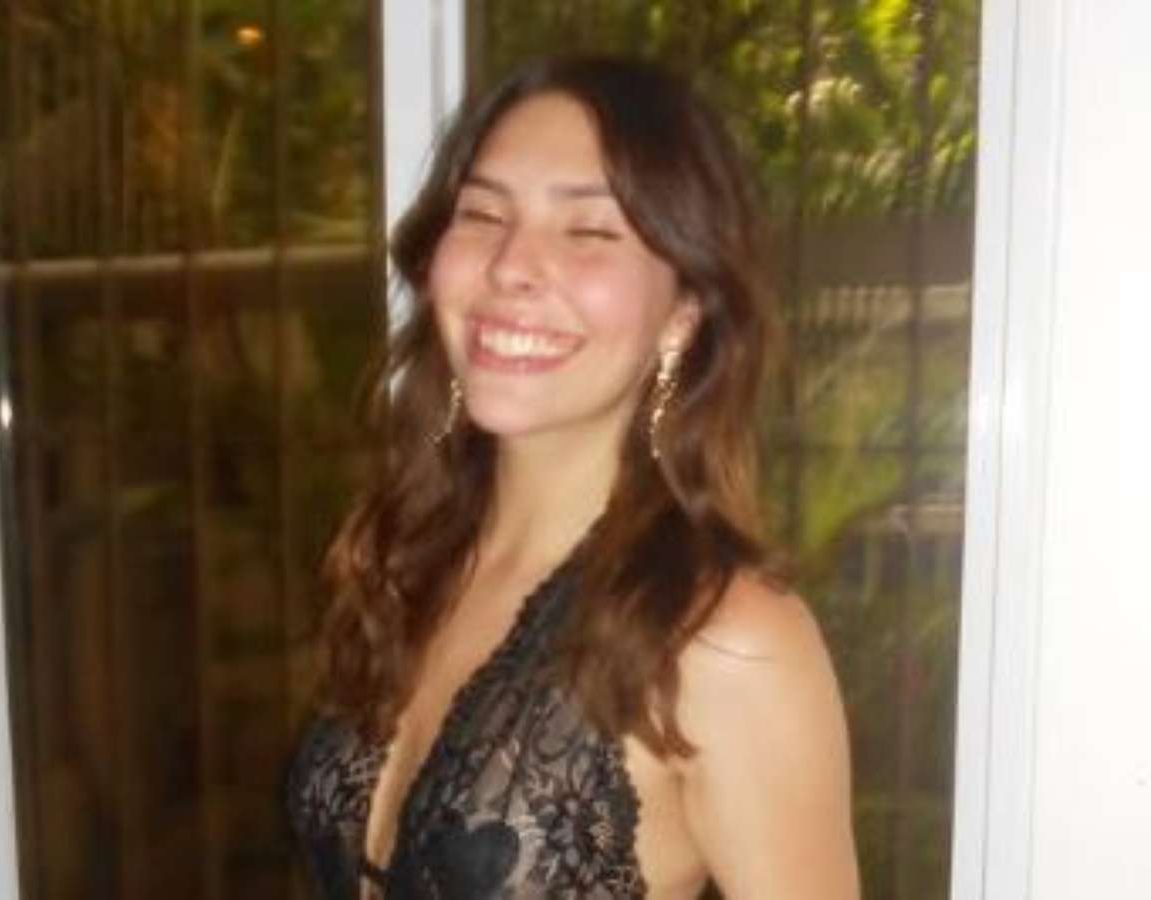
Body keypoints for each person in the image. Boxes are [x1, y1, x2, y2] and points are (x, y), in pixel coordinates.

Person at [287, 55, 858, 899]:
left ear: (683, 313)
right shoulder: (402, 560)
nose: (511, 266)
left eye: (589, 232)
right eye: (483, 214)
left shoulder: (726, 640)